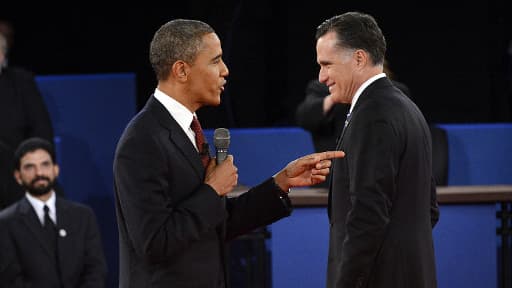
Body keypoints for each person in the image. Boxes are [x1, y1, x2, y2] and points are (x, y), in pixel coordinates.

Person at [113, 19, 344, 288]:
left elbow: (215, 223)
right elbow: (154, 242)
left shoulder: (186, 130)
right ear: (181, 70)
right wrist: (211, 190)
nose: (225, 71)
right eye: (215, 61)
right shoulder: (142, 141)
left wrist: (281, 183)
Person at [314, 12, 439, 287]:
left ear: (359, 58)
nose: (322, 77)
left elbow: (367, 215)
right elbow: (429, 209)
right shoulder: (404, 106)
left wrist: (346, 282)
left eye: (327, 65)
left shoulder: (373, 115)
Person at [0, 137, 107, 287]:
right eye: (29, 167)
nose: (39, 173)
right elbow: (10, 279)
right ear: (18, 176)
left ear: (56, 169)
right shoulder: (6, 222)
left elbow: (95, 269)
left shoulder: (83, 216)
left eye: (45, 164)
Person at [0, 22, 56, 209]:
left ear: (2, 56)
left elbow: (41, 131)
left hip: (14, 175)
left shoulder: (21, 83)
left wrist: (30, 168)